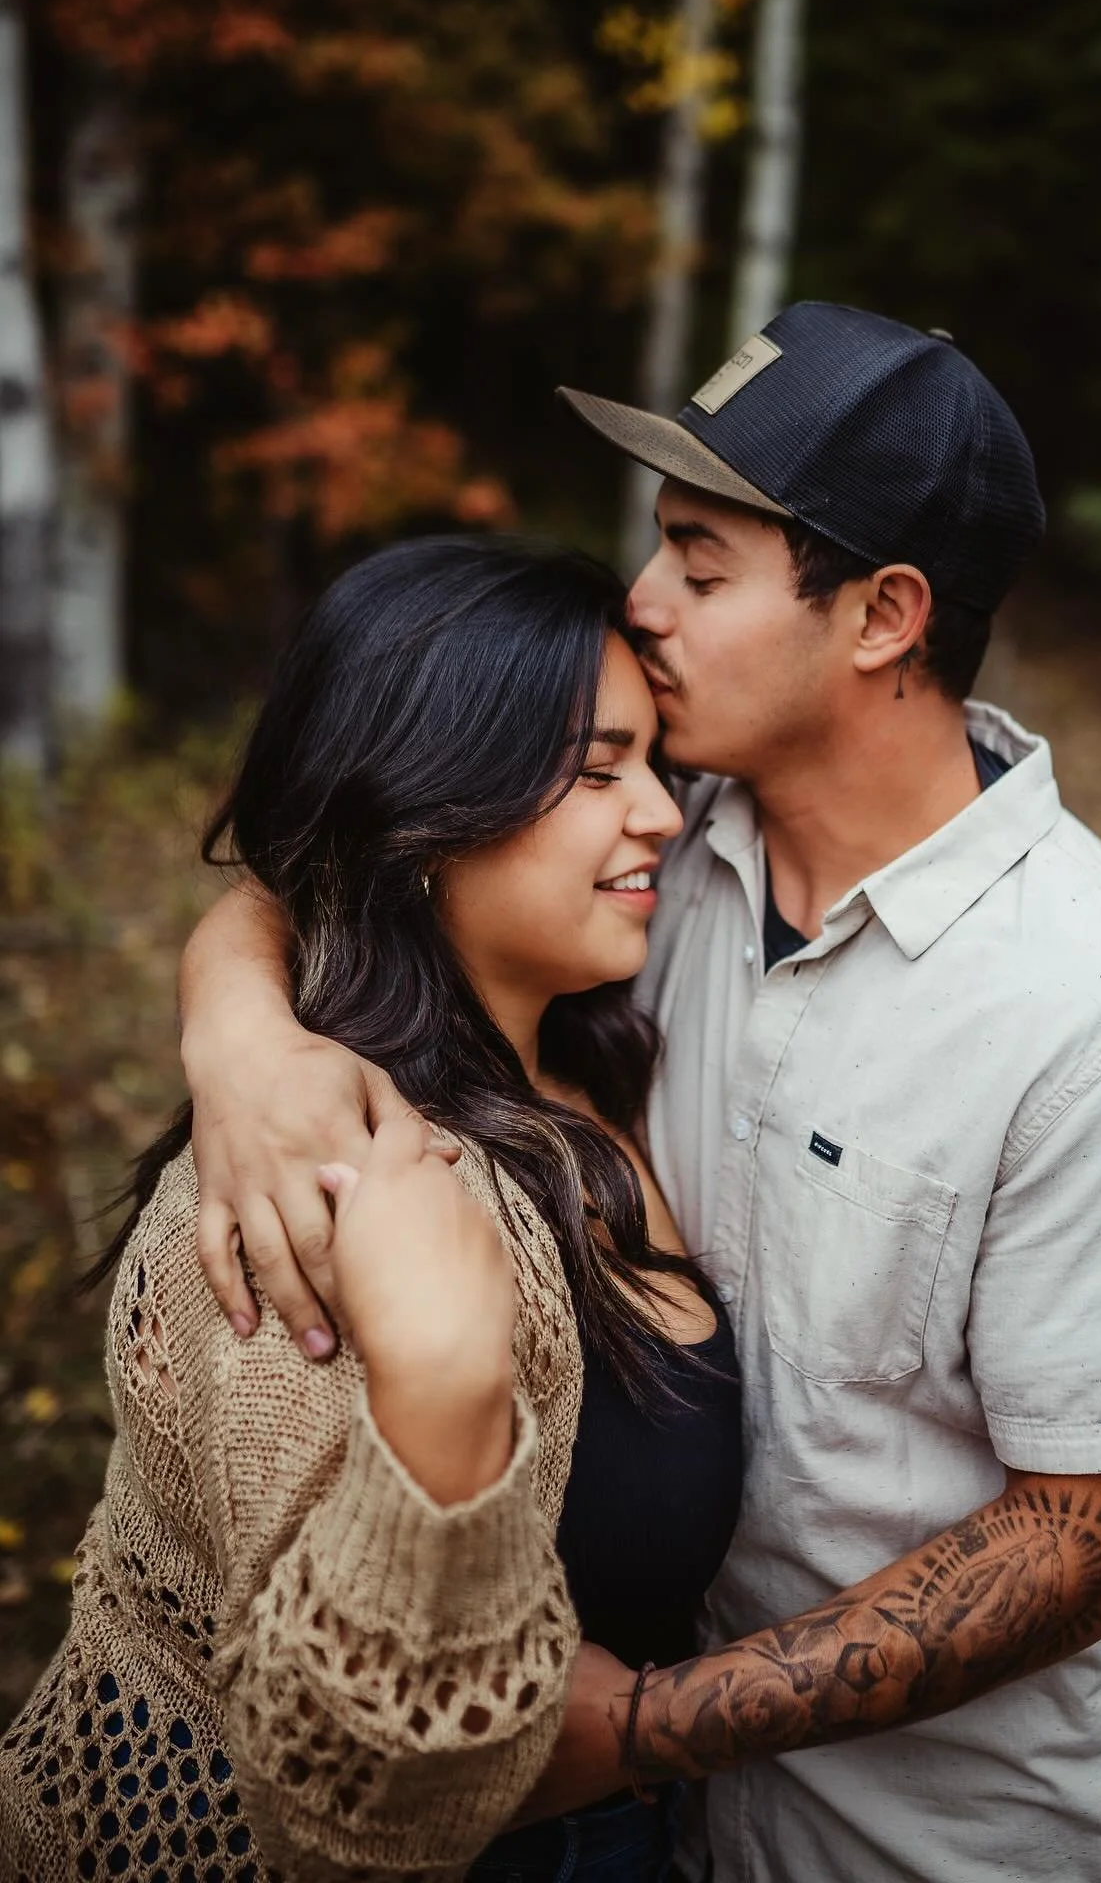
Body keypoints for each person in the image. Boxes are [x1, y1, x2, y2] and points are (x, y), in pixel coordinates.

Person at [175, 303, 1101, 1883]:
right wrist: (240, 1039)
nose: (644, 600)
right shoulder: (655, 839)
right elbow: (364, 848)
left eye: (701, 559)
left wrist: (647, 1727)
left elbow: (1093, 1536)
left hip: (937, 1834)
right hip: (647, 1812)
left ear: (883, 615)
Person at [0, 538, 742, 1883]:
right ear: (429, 809)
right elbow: (345, 1810)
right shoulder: (303, 1206)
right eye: (597, 771)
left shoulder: (598, 1051)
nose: (664, 818)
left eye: (657, 766)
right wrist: (444, 1401)